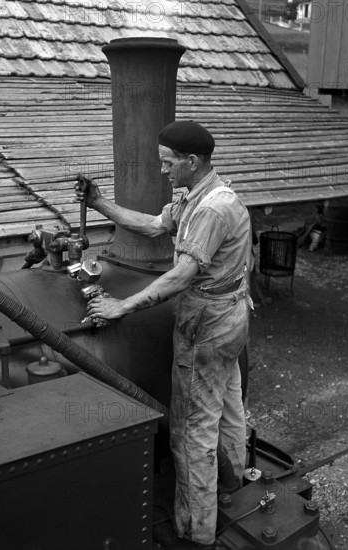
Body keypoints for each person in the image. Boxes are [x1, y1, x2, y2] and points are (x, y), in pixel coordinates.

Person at [75, 120, 252, 550]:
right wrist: (100, 204)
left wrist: (122, 305)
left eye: (168, 163)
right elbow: (153, 225)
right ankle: (234, 479)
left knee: (191, 430)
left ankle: (196, 531)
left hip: (207, 323)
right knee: (229, 404)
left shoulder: (210, 211)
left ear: (192, 162)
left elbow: (181, 275)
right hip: (232, 317)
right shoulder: (201, 195)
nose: (162, 171)